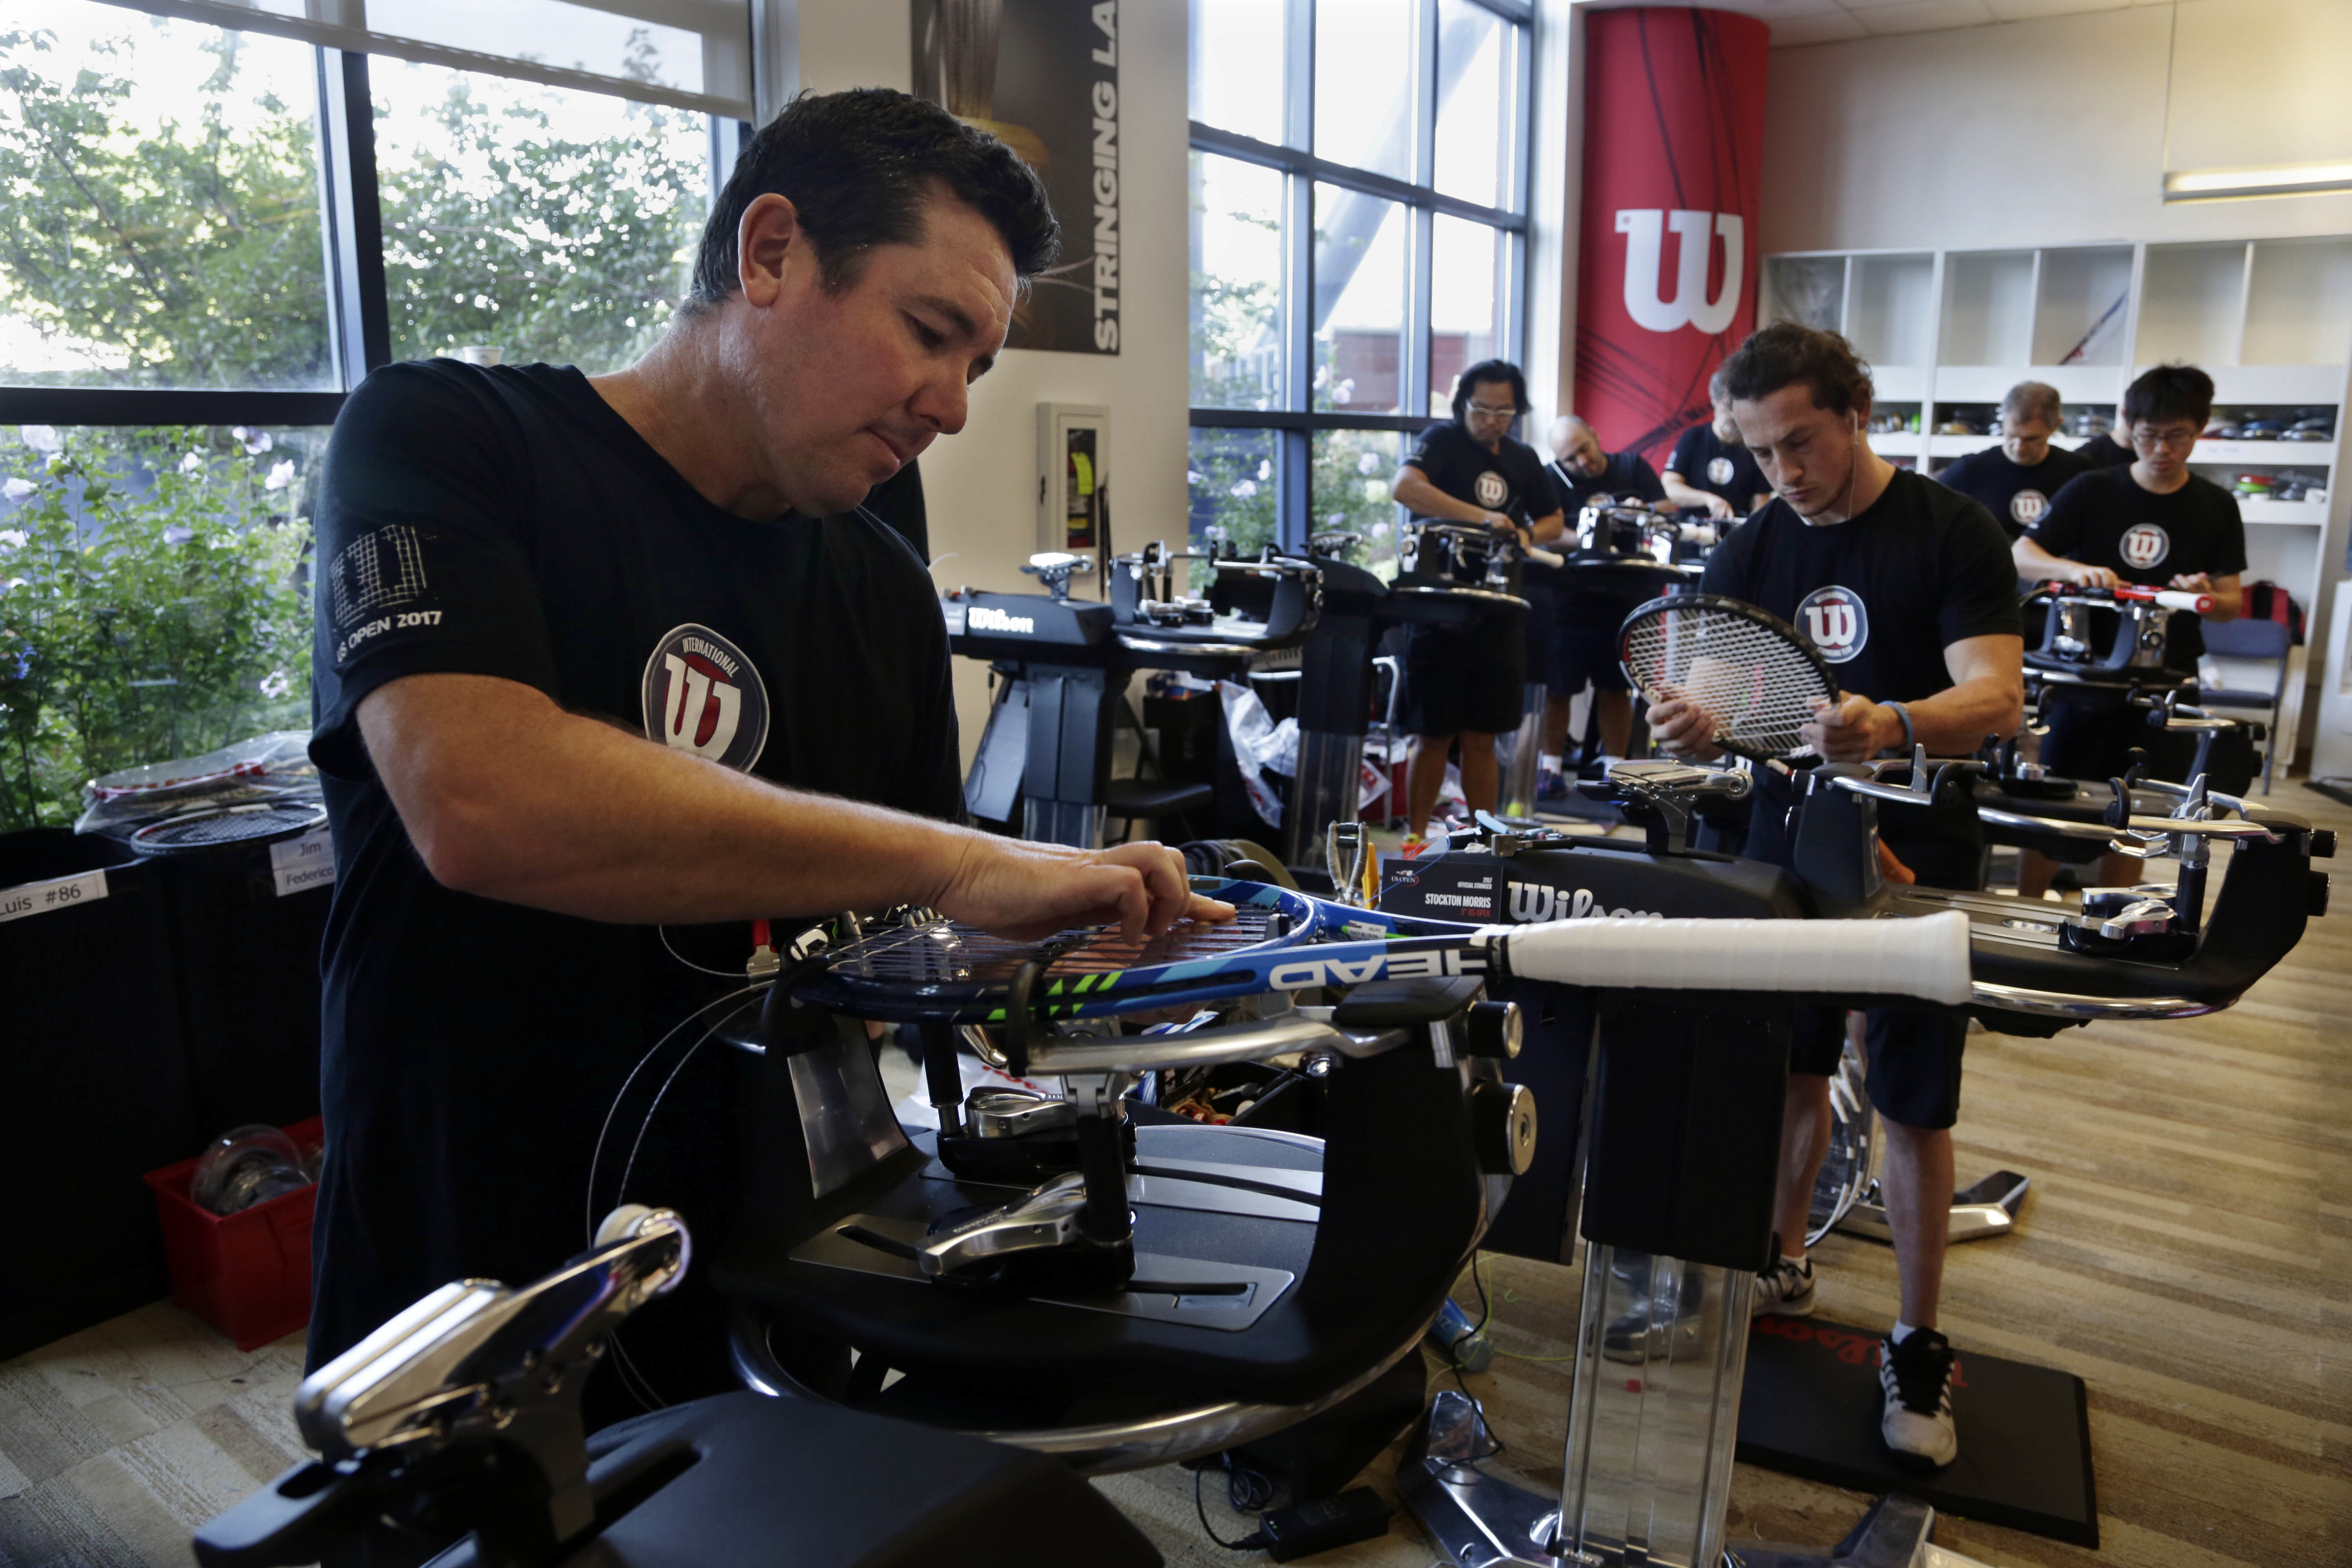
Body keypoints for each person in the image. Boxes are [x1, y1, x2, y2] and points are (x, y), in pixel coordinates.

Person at [303, 89, 1230, 1397]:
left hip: (770, 1252)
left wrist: (1070, 960)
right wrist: (964, 865)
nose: (954, 406)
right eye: (931, 333)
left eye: (978, 365)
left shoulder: (880, 586)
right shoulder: (442, 439)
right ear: (773, 252)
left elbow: (897, 928)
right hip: (472, 1239)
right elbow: (479, 798)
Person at [1648, 323, 2024, 1471]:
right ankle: (1778, 1256)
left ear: (1858, 412)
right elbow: (1719, 695)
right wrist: (1695, 720)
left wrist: (1893, 722)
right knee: (1789, 1067)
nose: (1785, 475)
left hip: (1916, 841)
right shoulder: (1755, 544)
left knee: (1914, 1099)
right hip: (1784, 836)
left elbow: (1997, 695)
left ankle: (1917, 1337)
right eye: (1760, 454)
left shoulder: (1952, 530)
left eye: (1801, 444)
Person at [2012, 363, 2248, 889]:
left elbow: (2232, 601)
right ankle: (2027, 911)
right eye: (2148, 436)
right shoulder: (2092, 489)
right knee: (2055, 802)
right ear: (2128, 425)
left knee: (2138, 813)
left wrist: (2206, 596)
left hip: (2163, 685)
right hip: (2083, 679)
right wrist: (2074, 571)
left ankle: (2112, 917)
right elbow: (2022, 554)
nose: (2161, 450)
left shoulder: (2216, 505)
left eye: (2176, 437)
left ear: (2200, 430)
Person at [1390, 361, 1565, 840]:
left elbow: (1554, 520)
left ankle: (1483, 841)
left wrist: (1527, 534)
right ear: (1464, 405)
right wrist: (1480, 519)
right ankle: (1416, 836)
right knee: (1433, 734)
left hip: (1499, 609)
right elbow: (1404, 488)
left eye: (1503, 411)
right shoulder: (1442, 442)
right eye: (1483, 409)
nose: (1492, 420)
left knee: (1483, 736)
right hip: (1439, 612)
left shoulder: (1522, 458)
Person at [1541, 416, 1671, 772]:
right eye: (1570, 458)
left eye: (1584, 449)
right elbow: (1544, 531)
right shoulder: (1550, 479)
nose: (1581, 461)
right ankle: (1549, 771)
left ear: (1596, 437)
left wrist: (1637, 510)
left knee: (1616, 689)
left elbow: (1667, 508)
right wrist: (1591, 535)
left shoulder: (1631, 466)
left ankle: (1617, 771)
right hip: (1569, 600)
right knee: (1558, 689)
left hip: (1626, 599)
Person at [1931, 380, 2094, 542]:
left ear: (2056, 426)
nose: (2019, 448)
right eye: (2011, 435)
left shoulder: (2079, 473)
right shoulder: (1969, 470)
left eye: (2031, 439)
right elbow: (1932, 523)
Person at [1662, 370, 1771, 519]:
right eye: (1728, 406)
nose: (1733, 414)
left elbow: (1762, 502)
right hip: (1692, 533)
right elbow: (1670, 488)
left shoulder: (1754, 444)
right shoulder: (1694, 438)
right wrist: (1708, 499)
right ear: (1715, 400)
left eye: (1739, 406)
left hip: (1735, 535)